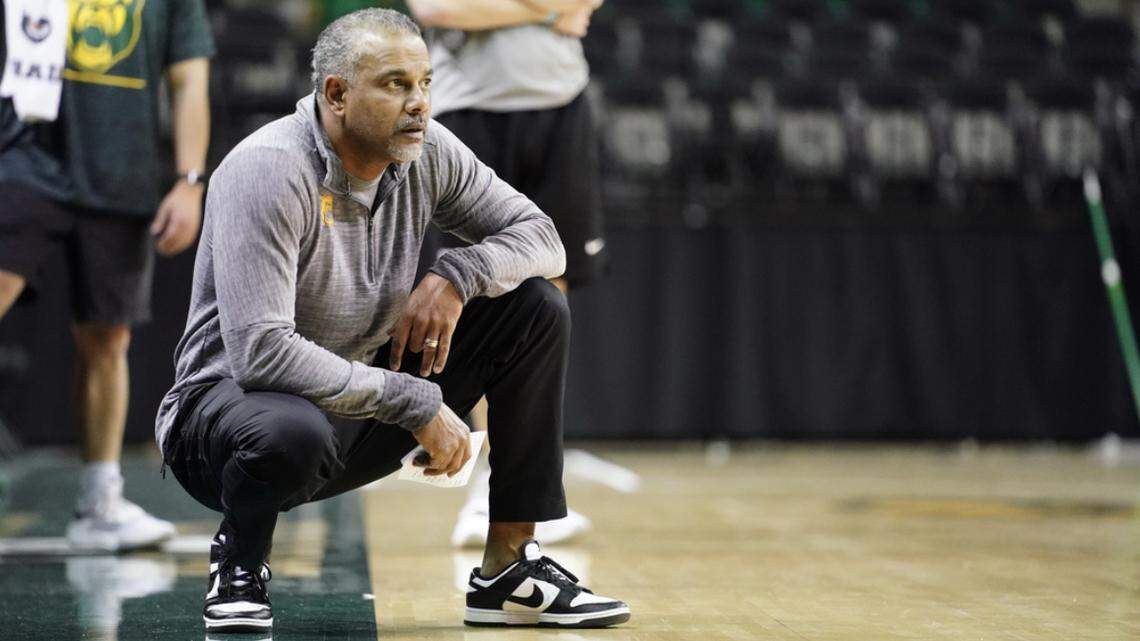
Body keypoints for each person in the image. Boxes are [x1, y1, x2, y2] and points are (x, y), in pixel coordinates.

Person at [155, 9, 629, 633]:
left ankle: (508, 568)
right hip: (224, 423)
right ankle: (239, 565)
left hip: (349, 408)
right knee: (289, 430)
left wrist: (458, 274)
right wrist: (413, 401)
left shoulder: (426, 152)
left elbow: (545, 239)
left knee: (536, 307)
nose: (420, 104)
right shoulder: (269, 168)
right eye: (396, 85)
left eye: (426, 83)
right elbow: (262, 354)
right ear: (336, 94)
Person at [0, 0, 214, 551]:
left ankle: (99, 504)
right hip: (20, 159)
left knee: (108, 338)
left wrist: (190, 180)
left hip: (121, 172)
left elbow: (189, 77)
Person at [405, 0, 607, 547]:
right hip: (469, 108)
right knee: (478, 293)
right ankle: (486, 488)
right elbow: (438, 9)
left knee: (548, 288)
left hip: (560, 103)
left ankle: (527, 489)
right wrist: (541, 13)